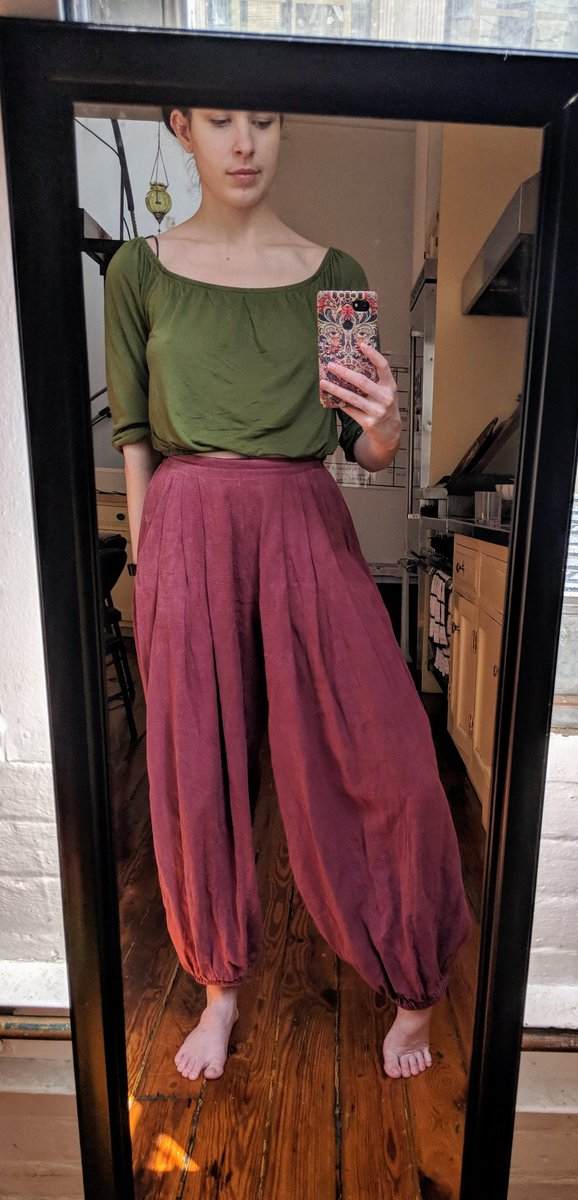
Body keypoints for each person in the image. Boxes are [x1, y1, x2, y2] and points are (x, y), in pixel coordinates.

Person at [104, 106, 472, 1086]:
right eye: (220, 121)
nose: (243, 143)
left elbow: (366, 448)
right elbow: (134, 435)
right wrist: (147, 564)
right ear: (182, 128)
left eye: (263, 121)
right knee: (196, 770)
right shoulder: (136, 272)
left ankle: (413, 981)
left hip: (304, 514)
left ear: (281, 131)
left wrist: (387, 424)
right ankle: (217, 989)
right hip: (185, 521)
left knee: (385, 750)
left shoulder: (333, 274)